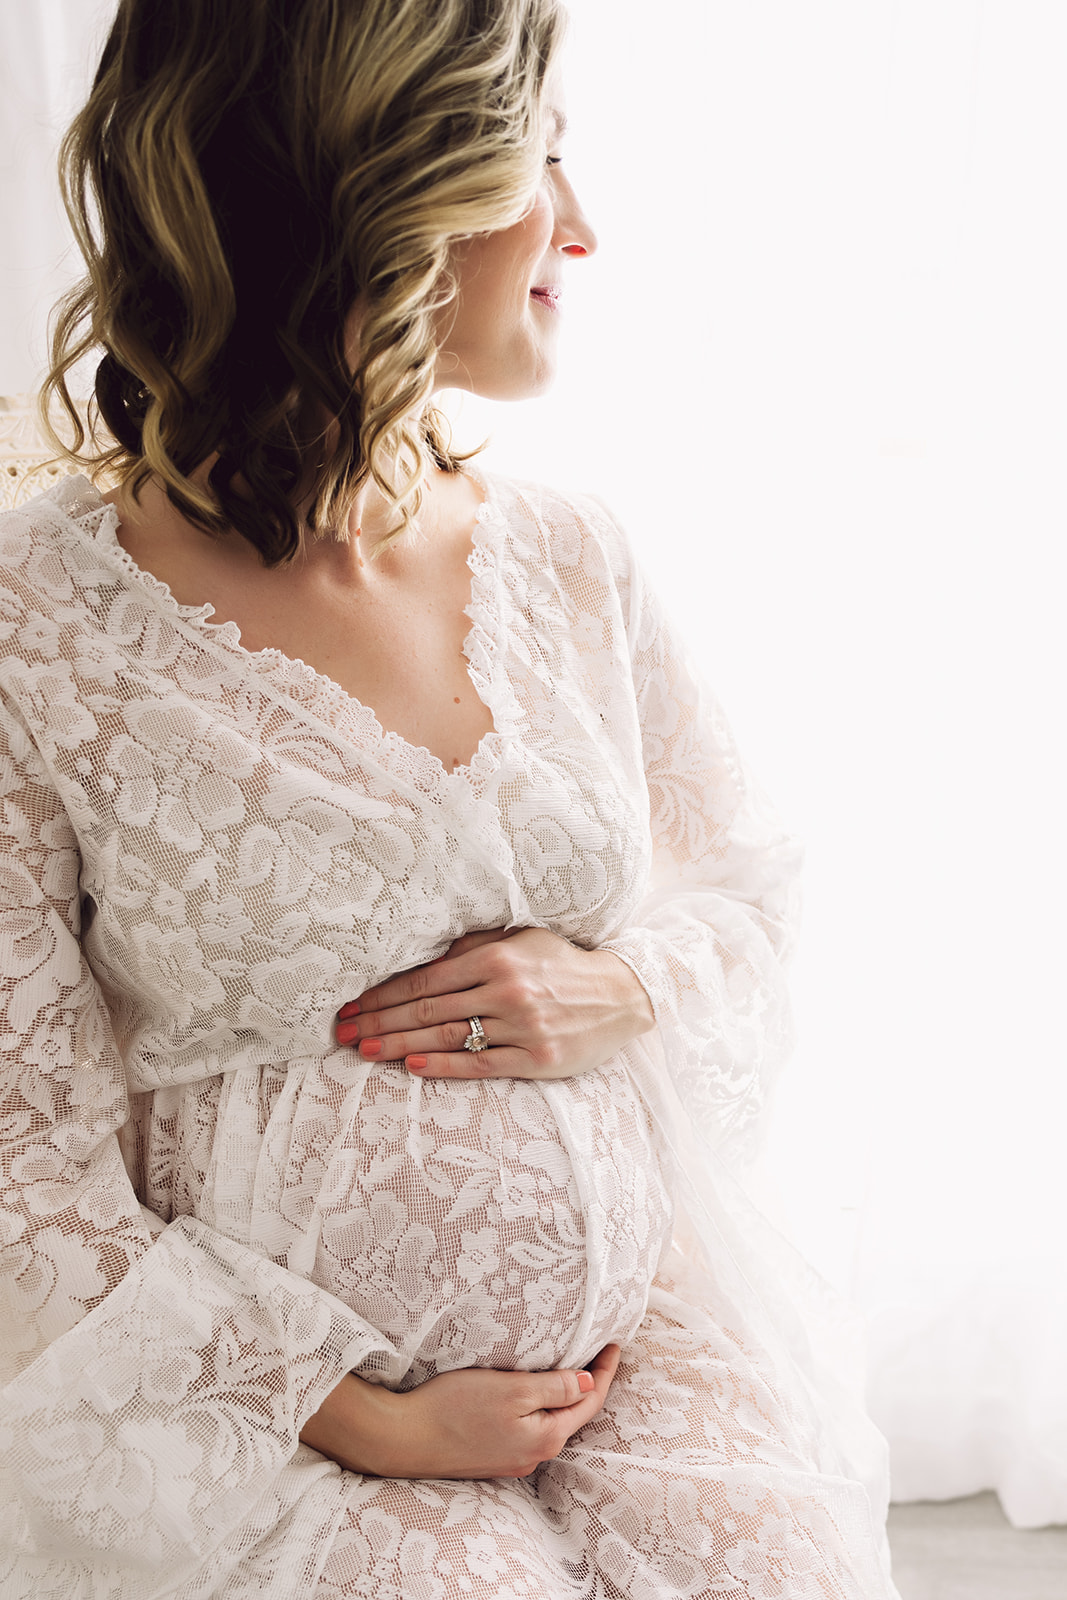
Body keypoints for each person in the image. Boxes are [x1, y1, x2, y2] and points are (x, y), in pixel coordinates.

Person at [0, 1, 901, 1595]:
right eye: (536, 161)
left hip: (641, 1354)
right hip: (264, 1429)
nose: (585, 227)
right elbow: (21, 1161)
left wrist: (625, 986)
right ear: (371, 190)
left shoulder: (568, 551)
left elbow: (751, 887)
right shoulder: (39, 625)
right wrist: (360, 1416)